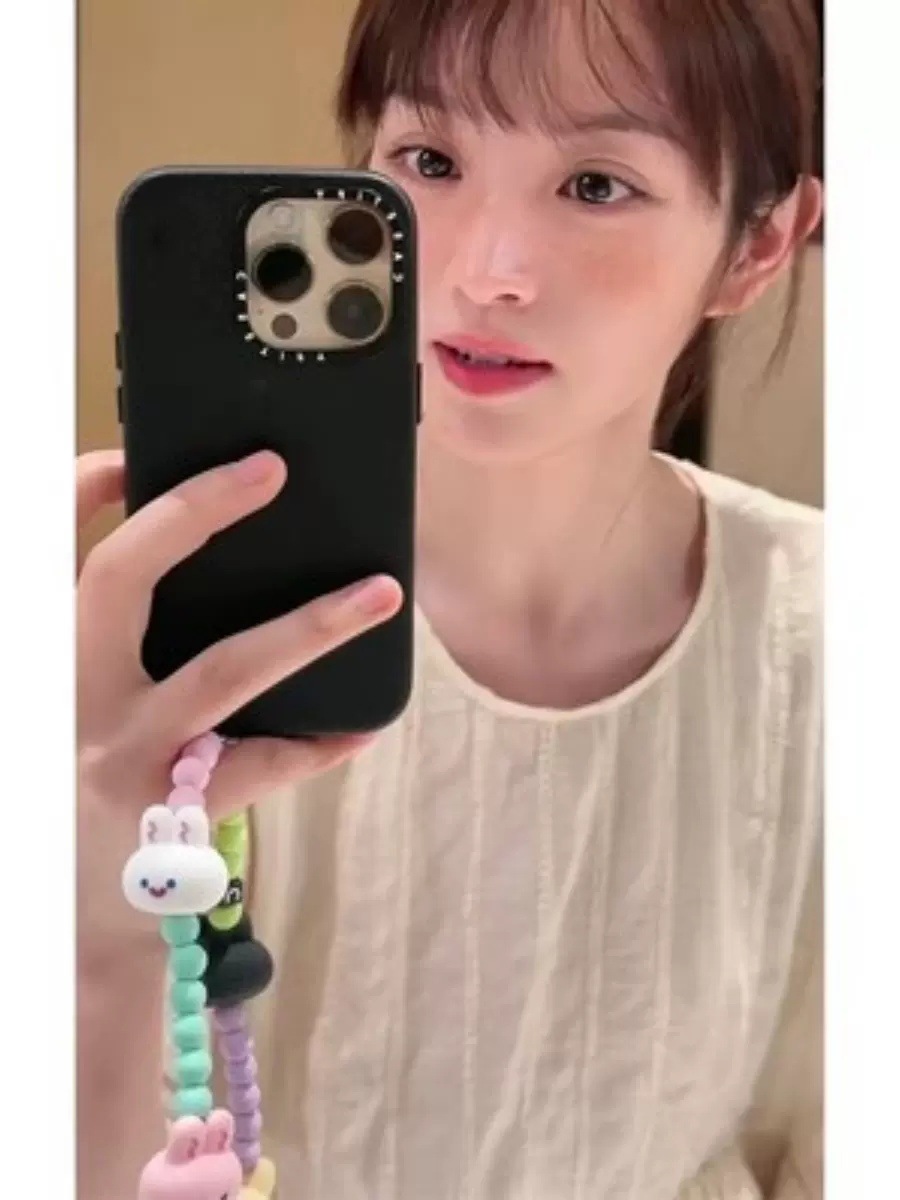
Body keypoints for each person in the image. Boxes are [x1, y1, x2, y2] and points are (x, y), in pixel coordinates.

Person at [77, 0, 824, 1197]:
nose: (484, 272)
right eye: (429, 161)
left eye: (596, 185)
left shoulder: (827, 636)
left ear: (759, 244)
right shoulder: (159, 641)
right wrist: (89, 911)